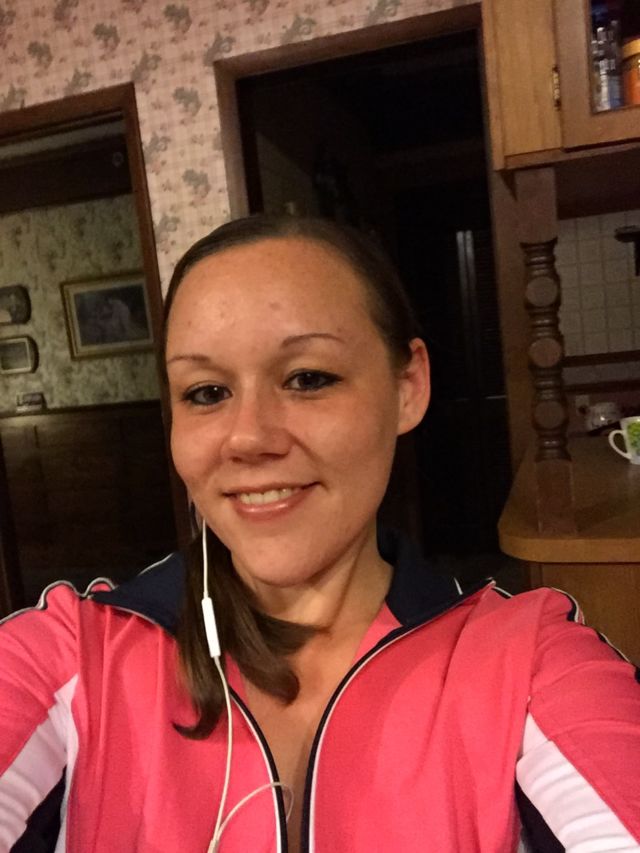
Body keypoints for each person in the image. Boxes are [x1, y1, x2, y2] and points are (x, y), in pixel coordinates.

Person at [0, 214, 639, 853]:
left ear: (408, 387)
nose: (249, 437)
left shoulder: (531, 664)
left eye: (308, 378)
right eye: (207, 392)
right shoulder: (70, 655)